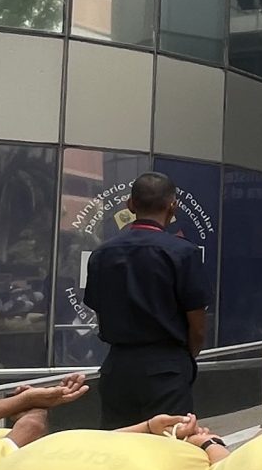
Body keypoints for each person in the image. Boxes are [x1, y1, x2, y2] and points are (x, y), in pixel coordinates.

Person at [83, 173, 210, 423]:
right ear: (172, 206)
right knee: (168, 448)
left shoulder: (101, 254)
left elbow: (99, 311)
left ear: (130, 204)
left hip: (117, 367)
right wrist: (182, 358)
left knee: (119, 446)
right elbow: (197, 325)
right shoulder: (183, 253)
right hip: (167, 369)